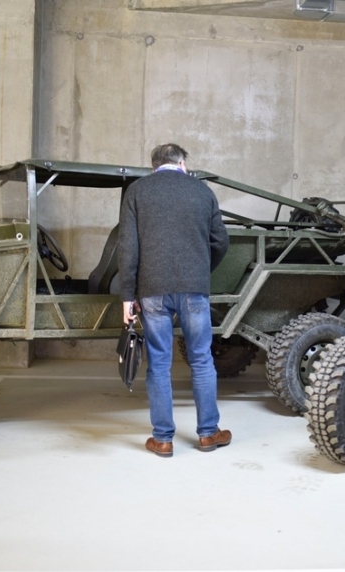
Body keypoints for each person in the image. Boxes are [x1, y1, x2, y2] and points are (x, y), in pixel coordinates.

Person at [117, 143, 230, 458]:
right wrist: (200, 270)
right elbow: (221, 241)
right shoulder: (202, 191)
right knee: (201, 359)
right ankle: (208, 433)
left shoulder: (137, 192)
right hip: (194, 288)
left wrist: (127, 296)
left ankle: (163, 439)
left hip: (152, 289)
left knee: (159, 362)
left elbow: (127, 248)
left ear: (154, 166)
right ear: (182, 164)